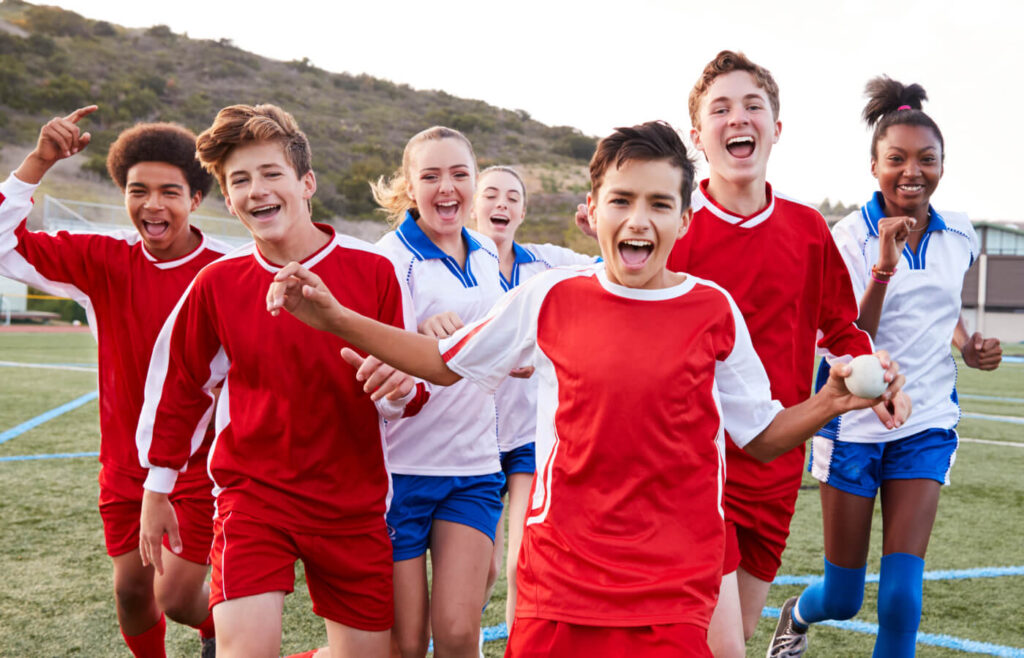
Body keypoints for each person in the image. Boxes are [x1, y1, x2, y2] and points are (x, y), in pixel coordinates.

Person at [265, 120, 905, 657]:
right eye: (622, 200)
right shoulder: (549, 296)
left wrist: (829, 402)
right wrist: (336, 318)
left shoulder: (713, 309)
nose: (638, 219)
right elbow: (441, 361)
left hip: (674, 586)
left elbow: (760, 437)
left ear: (685, 219)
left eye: (659, 204)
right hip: (559, 583)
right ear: (593, 210)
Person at [135, 103, 427, 658]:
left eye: (271, 173)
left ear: (306, 183)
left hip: (351, 501)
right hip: (254, 496)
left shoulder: (375, 269)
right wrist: (157, 486)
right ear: (228, 200)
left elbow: (412, 387)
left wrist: (397, 389)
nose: (257, 190)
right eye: (240, 180)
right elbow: (180, 386)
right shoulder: (217, 283)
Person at [662, 51, 911, 656]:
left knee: (737, 632)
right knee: (720, 645)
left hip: (776, 466)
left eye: (752, 106)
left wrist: (871, 373)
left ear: (776, 128)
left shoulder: (807, 230)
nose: (737, 118)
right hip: (692, 469)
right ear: (697, 136)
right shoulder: (674, 229)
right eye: (720, 109)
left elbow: (841, 327)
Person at [766, 77, 1002, 658]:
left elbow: (939, 303)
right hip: (851, 424)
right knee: (844, 596)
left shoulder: (961, 233)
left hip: (926, 421)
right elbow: (846, 331)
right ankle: (798, 613)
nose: (912, 171)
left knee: (900, 595)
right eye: (896, 159)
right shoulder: (846, 238)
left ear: (942, 165)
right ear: (874, 166)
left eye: (927, 159)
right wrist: (884, 267)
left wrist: (967, 344)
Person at [0, 107, 228, 657]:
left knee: (176, 596)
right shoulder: (102, 259)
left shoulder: (226, 272)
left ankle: (220, 630)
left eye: (170, 192)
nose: (153, 204)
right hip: (124, 465)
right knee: (130, 592)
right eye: (138, 190)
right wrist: (37, 163)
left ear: (196, 199)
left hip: (199, 469)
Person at [369, 127, 507, 658]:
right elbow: (380, 379)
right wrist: (419, 343)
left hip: (473, 468)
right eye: (430, 176)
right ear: (409, 185)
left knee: (456, 634)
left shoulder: (486, 251)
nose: (446, 187)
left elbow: (496, 344)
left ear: (474, 181)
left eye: (459, 174)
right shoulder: (389, 259)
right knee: (405, 646)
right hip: (401, 474)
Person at [469, 165, 598, 629]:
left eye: (512, 197)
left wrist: (600, 233)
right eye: (490, 194)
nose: (501, 204)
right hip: (474, 440)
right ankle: (468, 633)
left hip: (526, 437)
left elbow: (610, 269)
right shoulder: (458, 264)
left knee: (521, 561)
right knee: (484, 570)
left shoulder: (544, 262)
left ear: (522, 212)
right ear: (473, 206)